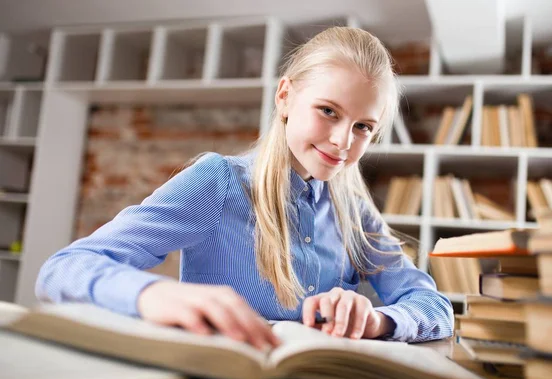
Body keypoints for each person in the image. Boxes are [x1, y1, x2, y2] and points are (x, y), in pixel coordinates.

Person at [35, 26, 453, 351]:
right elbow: (63, 269)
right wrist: (152, 294)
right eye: (328, 111)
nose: (344, 142)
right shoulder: (217, 182)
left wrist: (378, 320)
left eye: (363, 127)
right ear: (285, 97)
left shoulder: (354, 211)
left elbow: (434, 307)